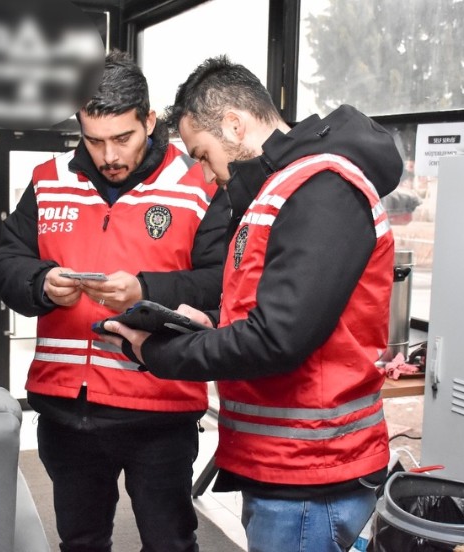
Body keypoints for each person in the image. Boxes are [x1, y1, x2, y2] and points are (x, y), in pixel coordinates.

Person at [101, 56, 403, 552]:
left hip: (311, 471)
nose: (203, 169)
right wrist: (207, 322)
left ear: (235, 125)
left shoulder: (321, 188)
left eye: (202, 153)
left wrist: (155, 353)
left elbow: (278, 339)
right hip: (281, 465)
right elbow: (269, 313)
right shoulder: (277, 191)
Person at [0, 51, 229, 552]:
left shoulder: (198, 182)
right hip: (66, 412)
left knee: (170, 543)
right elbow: (6, 262)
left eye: (123, 137)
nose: (110, 156)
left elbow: (222, 285)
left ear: (149, 119)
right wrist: (40, 282)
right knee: (81, 542)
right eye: (94, 140)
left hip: (160, 410)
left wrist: (147, 290)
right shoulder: (48, 179)